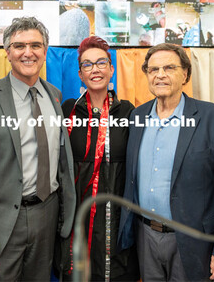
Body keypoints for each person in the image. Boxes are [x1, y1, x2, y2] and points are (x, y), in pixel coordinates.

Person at [118, 43, 214, 281]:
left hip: (193, 242)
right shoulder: (137, 117)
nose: (160, 75)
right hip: (145, 237)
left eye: (169, 68)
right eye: (153, 69)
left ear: (185, 74)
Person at [0, 16, 76, 281]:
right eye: (19, 46)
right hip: (0, 223)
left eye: (36, 45)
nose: (28, 52)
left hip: (46, 215)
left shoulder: (54, 95)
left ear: (45, 50)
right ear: (7, 52)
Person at [55, 36, 138, 281]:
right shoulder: (68, 110)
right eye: (88, 65)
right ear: (80, 74)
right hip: (77, 213)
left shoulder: (128, 111)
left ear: (111, 69)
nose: (95, 69)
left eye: (101, 62)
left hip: (115, 213)